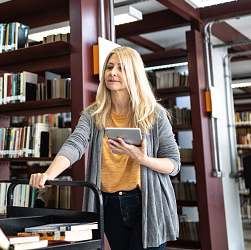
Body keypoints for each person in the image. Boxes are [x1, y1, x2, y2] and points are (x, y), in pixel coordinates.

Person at [29, 46, 180, 250]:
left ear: (135, 74)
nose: (113, 72)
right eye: (109, 67)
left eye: (121, 68)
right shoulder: (94, 114)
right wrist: (48, 175)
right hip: (108, 204)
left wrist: (143, 159)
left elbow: (174, 164)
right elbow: (76, 144)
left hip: (146, 203)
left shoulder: (154, 114)